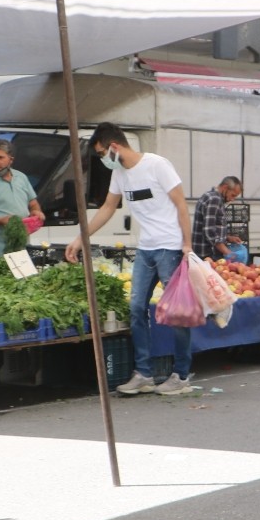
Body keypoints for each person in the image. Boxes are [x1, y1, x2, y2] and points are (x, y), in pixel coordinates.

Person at [65, 122, 197, 397]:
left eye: (102, 154)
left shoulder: (157, 165)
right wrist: (80, 238)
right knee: (136, 308)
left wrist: (187, 245)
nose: (103, 160)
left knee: (177, 312)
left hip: (170, 248)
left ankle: (181, 374)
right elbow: (107, 208)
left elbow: (181, 204)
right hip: (146, 249)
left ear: (114, 147)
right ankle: (144, 373)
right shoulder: (121, 174)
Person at [192, 176, 243, 261]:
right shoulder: (214, 199)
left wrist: (227, 237)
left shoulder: (212, 197)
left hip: (206, 254)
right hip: (207, 255)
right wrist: (227, 252)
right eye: (232, 195)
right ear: (225, 187)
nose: (232, 199)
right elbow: (209, 231)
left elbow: (213, 226)